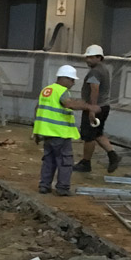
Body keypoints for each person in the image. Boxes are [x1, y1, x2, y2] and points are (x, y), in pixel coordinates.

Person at [34, 64, 100, 196]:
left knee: (49, 160)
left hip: (47, 133)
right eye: (72, 80)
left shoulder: (47, 90)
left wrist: (36, 131)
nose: (73, 83)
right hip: (60, 133)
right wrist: (89, 107)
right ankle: (62, 188)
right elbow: (68, 104)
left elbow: (37, 109)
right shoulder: (61, 91)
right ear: (64, 78)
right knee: (65, 161)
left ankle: (44, 185)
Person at [73, 44, 122, 174]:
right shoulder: (104, 69)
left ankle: (86, 162)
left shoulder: (95, 72)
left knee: (89, 136)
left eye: (91, 57)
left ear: (99, 57)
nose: (88, 60)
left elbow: (94, 90)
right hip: (104, 106)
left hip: (96, 107)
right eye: (87, 57)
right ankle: (113, 156)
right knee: (98, 134)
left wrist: (92, 110)